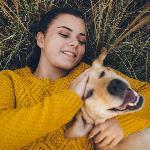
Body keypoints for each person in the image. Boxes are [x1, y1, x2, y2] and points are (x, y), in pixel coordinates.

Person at [0, 7, 149, 150]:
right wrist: (70, 99)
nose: (75, 43)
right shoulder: (10, 80)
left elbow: (145, 91)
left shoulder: (92, 74)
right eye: (64, 34)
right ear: (41, 39)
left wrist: (121, 122)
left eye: (81, 41)